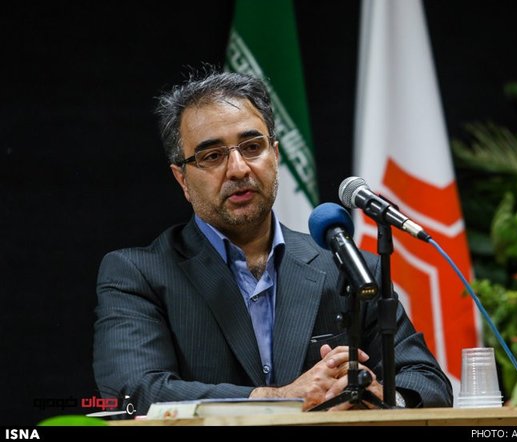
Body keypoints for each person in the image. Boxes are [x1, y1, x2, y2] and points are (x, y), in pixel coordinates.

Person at [93, 67, 453, 415]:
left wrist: (377, 396)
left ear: (276, 155)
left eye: (252, 147)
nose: (238, 169)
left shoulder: (347, 268)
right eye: (213, 156)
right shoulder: (139, 274)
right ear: (182, 179)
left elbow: (428, 383)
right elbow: (133, 390)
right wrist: (278, 398)